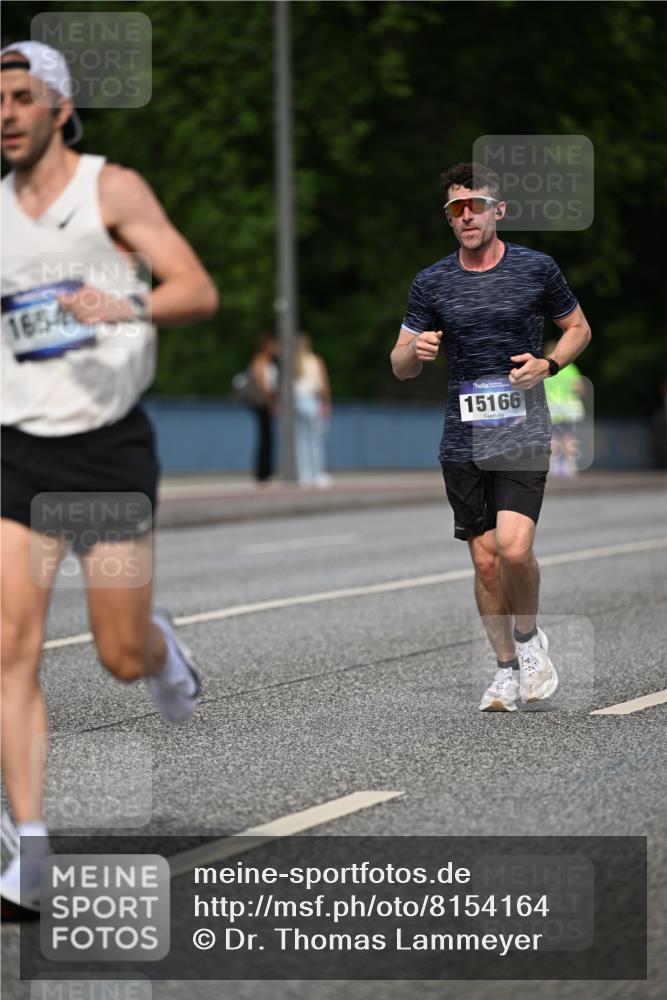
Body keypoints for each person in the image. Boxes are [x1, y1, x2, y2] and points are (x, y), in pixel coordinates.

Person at [0, 41, 219, 910]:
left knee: (118, 655)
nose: (5, 112)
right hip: (17, 449)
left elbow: (197, 289)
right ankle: (35, 851)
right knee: (9, 650)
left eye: (21, 96)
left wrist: (122, 303)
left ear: (59, 106)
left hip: (107, 451)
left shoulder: (110, 188)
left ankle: (162, 651)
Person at [391, 162, 591, 712]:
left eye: (475, 205)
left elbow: (579, 328)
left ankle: (528, 643)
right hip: (463, 439)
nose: (466, 216)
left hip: (523, 428)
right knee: (483, 561)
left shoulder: (536, 269)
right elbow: (400, 363)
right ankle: (504, 669)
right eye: (456, 209)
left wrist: (548, 365)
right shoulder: (432, 282)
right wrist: (416, 353)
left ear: (497, 210)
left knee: (514, 546)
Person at [543, 338, 586, 477]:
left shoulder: (544, 367)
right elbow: (580, 387)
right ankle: (570, 466)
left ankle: (554, 465)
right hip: (569, 407)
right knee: (569, 436)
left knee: (554, 436)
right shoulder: (570, 367)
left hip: (552, 407)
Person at [293, 334, 332, 487]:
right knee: (315, 440)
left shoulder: (293, 362)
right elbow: (323, 384)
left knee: (301, 441)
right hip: (311, 400)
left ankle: (304, 475)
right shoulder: (315, 361)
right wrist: (326, 403)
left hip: (296, 402)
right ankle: (318, 474)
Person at [249, 332, 279, 483]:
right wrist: (270, 403)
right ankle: (262, 472)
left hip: (268, 402)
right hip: (262, 403)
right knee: (265, 437)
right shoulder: (260, 361)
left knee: (268, 437)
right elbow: (262, 384)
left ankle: (266, 470)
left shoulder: (269, 362)